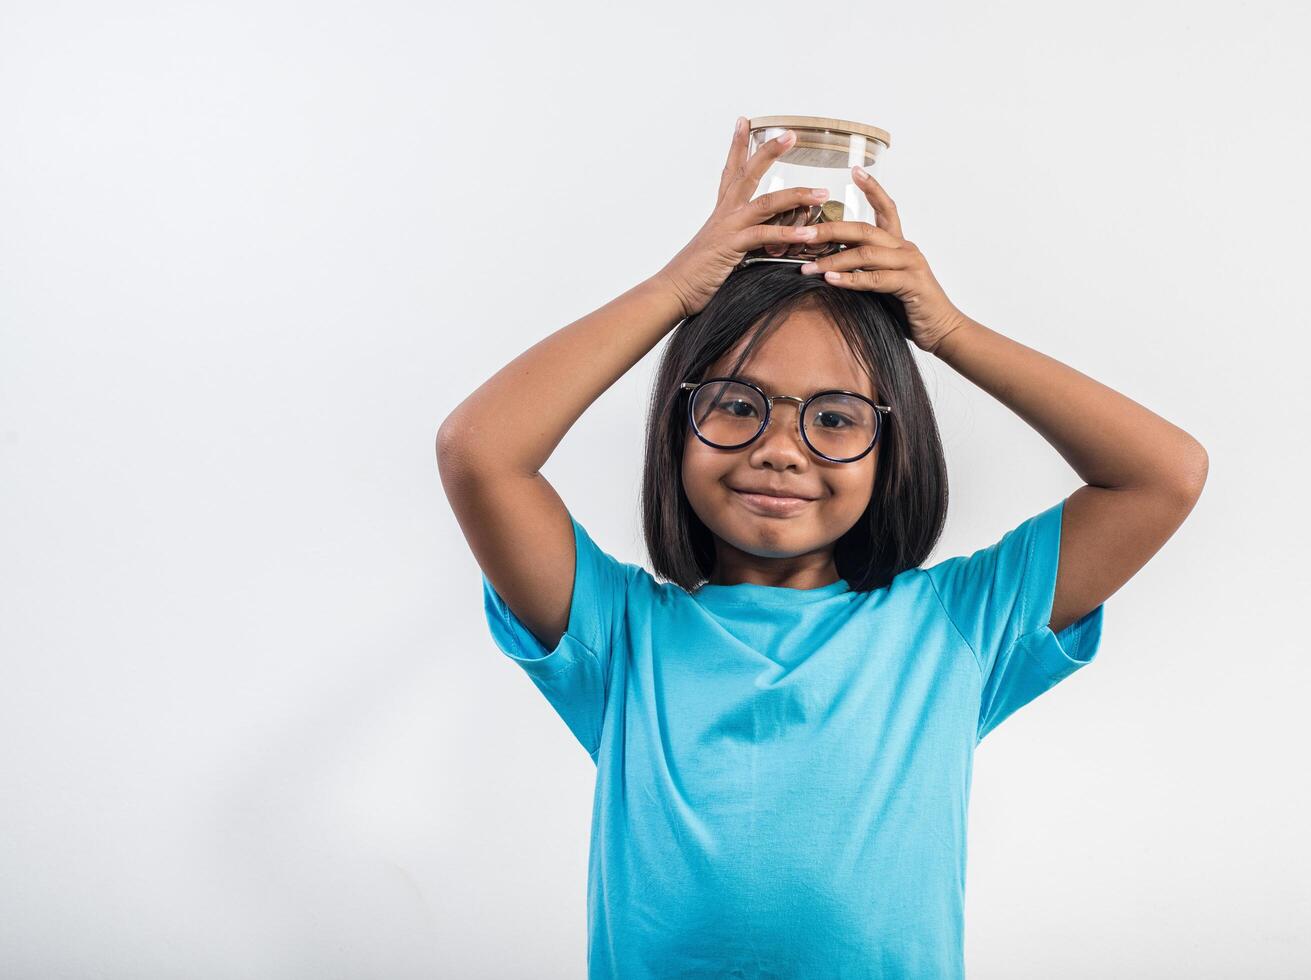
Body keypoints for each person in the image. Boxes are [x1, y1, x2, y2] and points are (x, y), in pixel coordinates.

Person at [436, 116, 1208, 978]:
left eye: (835, 417)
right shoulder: (616, 635)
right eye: (736, 402)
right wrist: (675, 288)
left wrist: (946, 331)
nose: (781, 446)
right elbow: (481, 452)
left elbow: (1161, 474)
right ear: (676, 427)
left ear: (892, 448)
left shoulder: (955, 626)